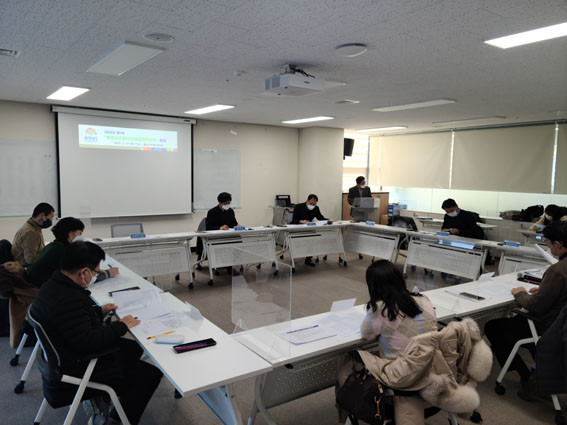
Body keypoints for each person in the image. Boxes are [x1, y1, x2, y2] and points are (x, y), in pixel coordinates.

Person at [30, 241, 162, 425]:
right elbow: (88, 341)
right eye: (95, 272)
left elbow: (72, 322)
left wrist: (99, 311)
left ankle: (107, 397)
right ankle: (115, 420)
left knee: (133, 348)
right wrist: (121, 325)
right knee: (150, 374)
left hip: (64, 354)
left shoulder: (55, 285)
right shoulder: (68, 298)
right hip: (77, 365)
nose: (95, 276)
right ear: (83, 272)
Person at [485, 221, 567, 401]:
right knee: (522, 333)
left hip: (547, 326)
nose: (548, 247)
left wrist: (520, 293)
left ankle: (527, 376)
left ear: (558, 244)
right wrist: (545, 289)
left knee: (493, 327)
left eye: (548, 243)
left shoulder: (557, 270)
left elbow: (535, 306)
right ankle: (541, 370)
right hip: (560, 327)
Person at [361, 260, 437, 360]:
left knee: (348, 357)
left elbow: (366, 335)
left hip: (399, 368)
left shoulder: (381, 308)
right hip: (430, 363)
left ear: (373, 287)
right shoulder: (424, 299)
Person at [28, 217, 119, 287]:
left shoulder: (54, 246)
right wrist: (108, 274)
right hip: (40, 290)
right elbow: (80, 279)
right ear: (71, 234)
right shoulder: (62, 252)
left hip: (38, 287)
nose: (81, 237)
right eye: (80, 233)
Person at [291, 194, 332, 266]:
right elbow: (294, 220)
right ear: (307, 200)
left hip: (308, 229)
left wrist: (328, 220)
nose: (312, 205)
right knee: (308, 239)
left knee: (313, 238)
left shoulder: (316, 208)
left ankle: (308, 258)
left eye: (314, 204)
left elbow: (320, 218)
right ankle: (297, 256)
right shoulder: (298, 207)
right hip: (297, 228)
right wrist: (301, 221)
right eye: (311, 203)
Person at [11, 202, 55, 266]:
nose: (51, 220)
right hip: (26, 268)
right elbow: (31, 260)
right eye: (51, 217)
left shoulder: (35, 227)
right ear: (42, 216)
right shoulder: (30, 233)